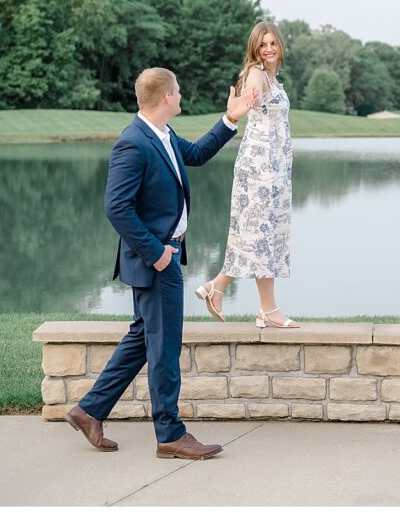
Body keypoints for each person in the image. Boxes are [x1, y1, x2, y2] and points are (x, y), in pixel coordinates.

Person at [65, 67, 258, 459]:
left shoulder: (163, 135)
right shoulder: (133, 144)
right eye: (179, 91)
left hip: (162, 256)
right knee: (165, 347)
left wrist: (231, 118)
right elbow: (116, 208)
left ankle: (89, 411)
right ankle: (169, 433)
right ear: (167, 97)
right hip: (155, 260)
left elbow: (199, 154)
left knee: (143, 339)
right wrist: (156, 253)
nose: (181, 95)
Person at [194, 21, 299, 329]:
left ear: (280, 45)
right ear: (255, 48)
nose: (268, 48)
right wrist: (240, 104)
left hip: (274, 166)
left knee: (260, 234)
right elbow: (249, 94)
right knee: (261, 234)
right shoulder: (257, 73)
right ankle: (265, 307)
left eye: (272, 43)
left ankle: (219, 287)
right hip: (261, 168)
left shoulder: (272, 77)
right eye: (262, 44)